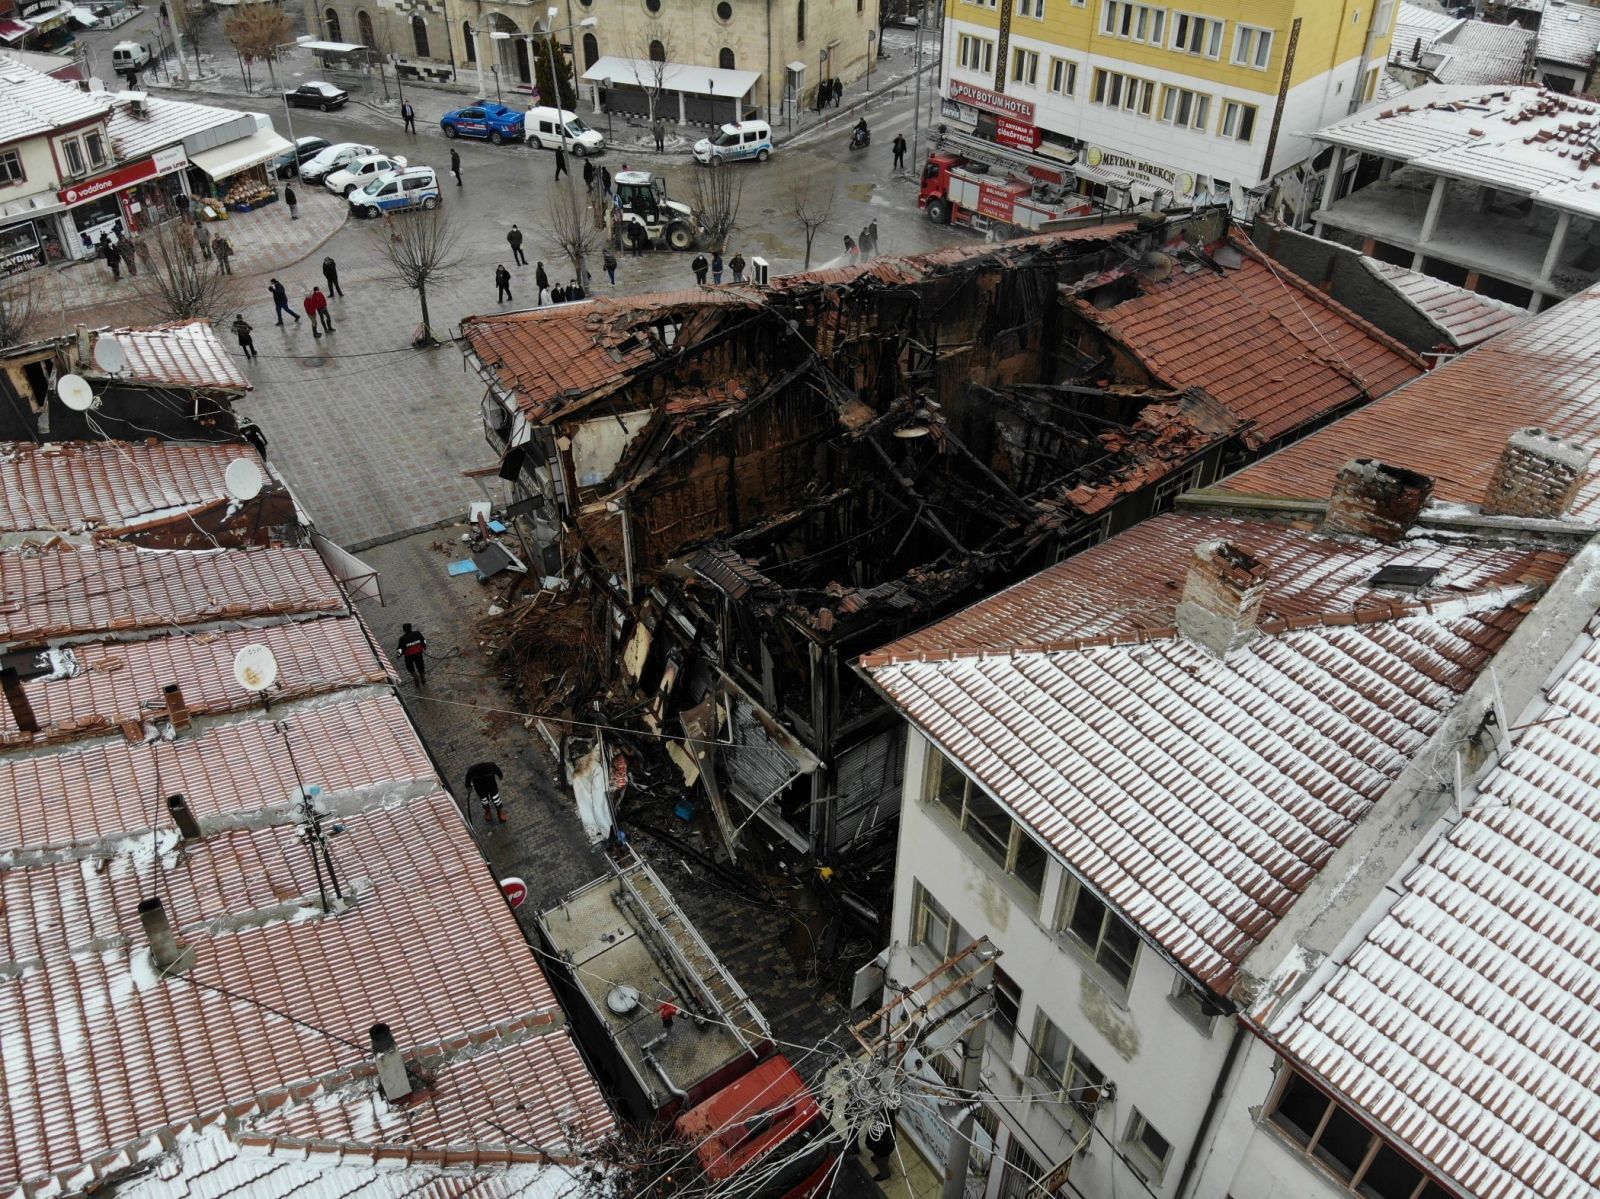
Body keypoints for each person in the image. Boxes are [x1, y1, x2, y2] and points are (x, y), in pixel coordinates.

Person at [863, 1116, 895, 1182]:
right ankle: (879, 1159)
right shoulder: (886, 1117)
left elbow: (875, 1141)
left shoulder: (882, 1128)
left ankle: (885, 1174)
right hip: (885, 1146)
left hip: (882, 1150)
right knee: (882, 1157)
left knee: (881, 1161)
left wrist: (870, 1145)